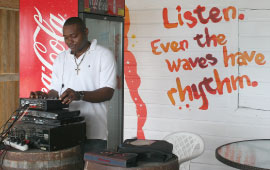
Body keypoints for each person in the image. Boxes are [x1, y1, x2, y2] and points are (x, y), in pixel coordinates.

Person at [30, 17, 117, 152]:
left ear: (86, 32)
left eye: (74, 36)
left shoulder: (104, 55)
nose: (70, 41)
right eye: (65, 38)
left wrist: (79, 95)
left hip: (94, 132)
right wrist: (44, 96)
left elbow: (108, 92)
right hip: (65, 130)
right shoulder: (61, 58)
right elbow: (55, 91)